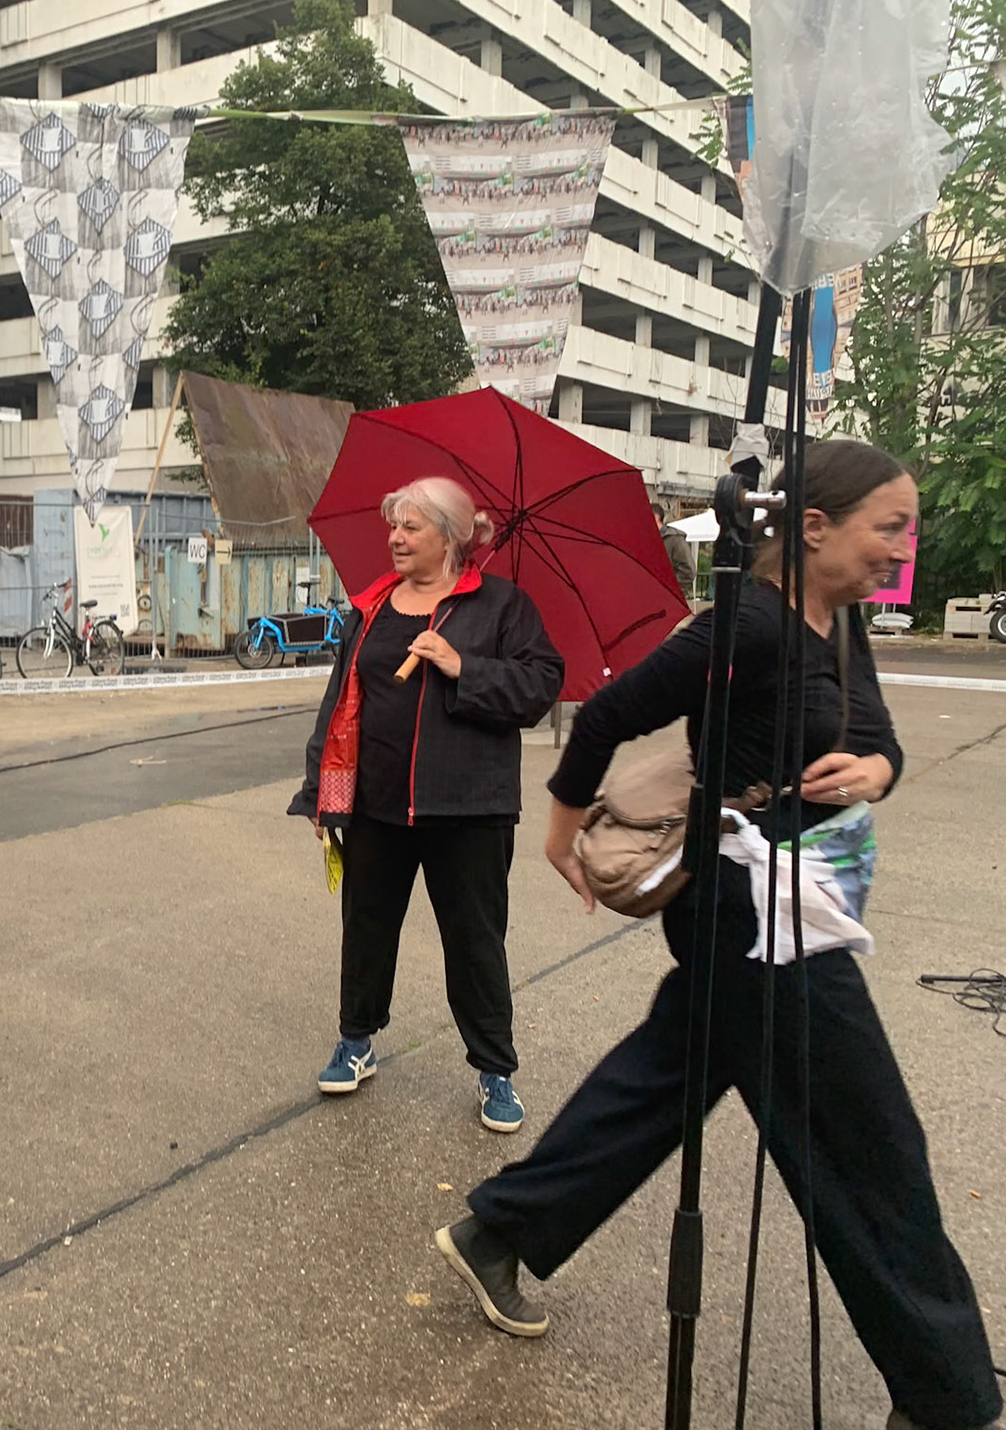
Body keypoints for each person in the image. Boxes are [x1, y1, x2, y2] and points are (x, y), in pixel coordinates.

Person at [438, 442, 1001, 1430]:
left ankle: (500, 1232)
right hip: (752, 909)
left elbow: (879, 740)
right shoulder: (752, 622)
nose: (900, 548)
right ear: (814, 527)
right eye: (888, 527)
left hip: (805, 890)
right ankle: (945, 1394)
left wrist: (872, 773)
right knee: (869, 1142)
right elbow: (610, 712)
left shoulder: (839, 622)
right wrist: (563, 835)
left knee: (666, 1080)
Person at [288, 477, 564, 1132]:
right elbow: (339, 701)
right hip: (376, 806)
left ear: (452, 536)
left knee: (475, 943)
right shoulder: (371, 608)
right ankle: (356, 1041)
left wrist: (463, 666)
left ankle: (495, 1069)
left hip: (467, 809)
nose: (396, 538)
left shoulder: (500, 607)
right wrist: (322, 796)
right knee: (366, 929)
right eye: (394, 525)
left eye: (411, 527)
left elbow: (541, 685)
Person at [655, 500, 697, 601]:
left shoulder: (674, 539)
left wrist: (668, 586)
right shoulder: (647, 539)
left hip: (669, 598)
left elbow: (688, 571)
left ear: (655, 517)